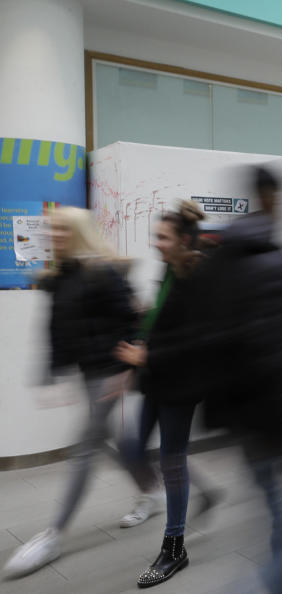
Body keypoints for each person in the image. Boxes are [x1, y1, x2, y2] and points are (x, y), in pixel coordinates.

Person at [2, 207, 161, 580]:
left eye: (60, 229)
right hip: (86, 373)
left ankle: (54, 534)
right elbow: (54, 328)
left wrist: (126, 371)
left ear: (77, 231)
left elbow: (132, 322)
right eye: (51, 229)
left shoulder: (103, 272)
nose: (53, 235)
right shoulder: (60, 276)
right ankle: (156, 491)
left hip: (108, 375)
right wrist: (49, 375)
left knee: (85, 448)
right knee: (117, 443)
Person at [199, 166, 282, 593]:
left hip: (241, 416)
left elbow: (214, 338)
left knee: (273, 508)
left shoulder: (220, 257)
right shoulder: (272, 262)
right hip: (272, 414)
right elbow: (276, 350)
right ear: (271, 198)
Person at [114, 200, 210, 588]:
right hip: (155, 378)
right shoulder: (170, 270)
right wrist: (140, 345)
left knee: (172, 462)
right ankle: (180, 497)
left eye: (163, 238)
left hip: (180, 385)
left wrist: (148, 351)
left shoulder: (195, 276)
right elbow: (163, 321)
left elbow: (195, 339)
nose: (156, 244)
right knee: (132, 447)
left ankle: (174, 546)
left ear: (183, 240)